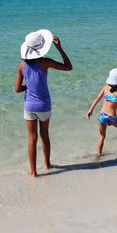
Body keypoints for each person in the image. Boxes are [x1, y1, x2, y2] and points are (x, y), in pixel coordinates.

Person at [15, 29, 72, 177]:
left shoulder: (21, 65)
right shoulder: (45, 62)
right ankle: (47, 164)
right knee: (44, 135)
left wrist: (26, 87)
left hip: (29, 106)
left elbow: (16, 89)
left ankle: (33, 172)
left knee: (31, 138)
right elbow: (68, 67)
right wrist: (59, 48)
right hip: (44, 105)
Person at [87, 68, 117, 157]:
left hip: (102, 116)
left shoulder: (105, 87)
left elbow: (97, 98)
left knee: (102, 136)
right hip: (111, 117)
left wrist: (90, 110)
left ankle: (98, 155)